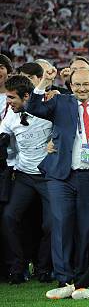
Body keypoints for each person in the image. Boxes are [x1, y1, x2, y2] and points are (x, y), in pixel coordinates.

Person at [26, 66, 89, 287]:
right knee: (61, 225)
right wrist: (43, 84)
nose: (82, 88)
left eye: (86, 84)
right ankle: (63, 277)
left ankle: (79, 274)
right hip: (61, 176)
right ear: (71, 85)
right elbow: (33, 107)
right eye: (77, 84)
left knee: (86, 227)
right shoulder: (61, 103)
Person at [0, 75, 53, 283]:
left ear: (27, 96)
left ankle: (43, 267)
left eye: (12, 98)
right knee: (8, 217)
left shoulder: (47, 112)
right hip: (23, 176)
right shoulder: (10, 117)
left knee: (51, 224)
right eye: (7, 98)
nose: (9, 102)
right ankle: (18, 265)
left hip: (48, 177)